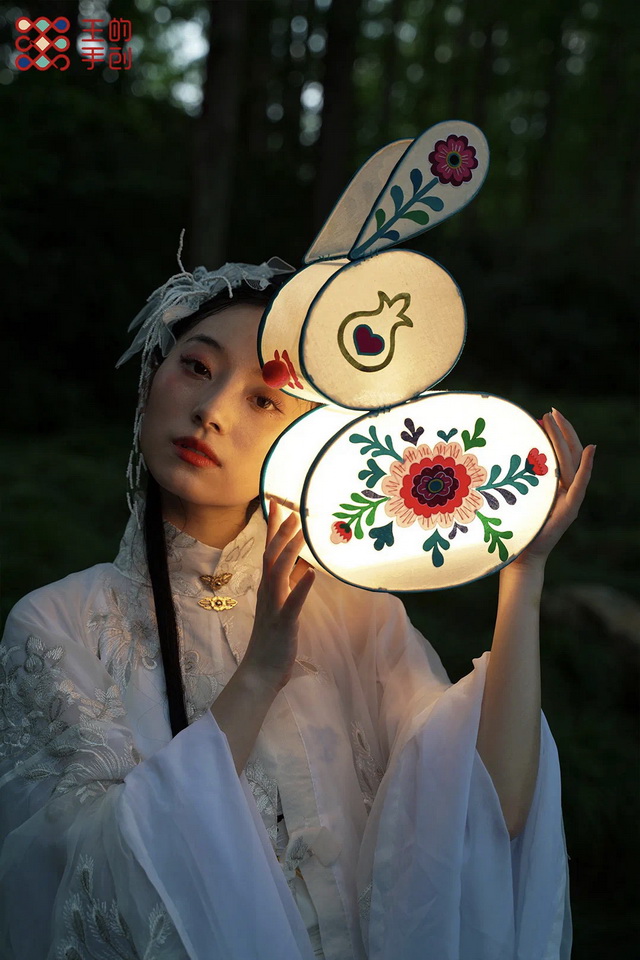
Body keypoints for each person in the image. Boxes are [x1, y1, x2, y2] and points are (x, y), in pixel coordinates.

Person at [0, 255, 595, 960]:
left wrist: (523, 573)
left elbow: (490, 813)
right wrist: (257, 674)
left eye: (263, 400)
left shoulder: (358, 617)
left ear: (307, 436)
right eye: (197, 366)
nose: (212, 410)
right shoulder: (59, 625)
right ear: (151, 378)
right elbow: (78, 887)